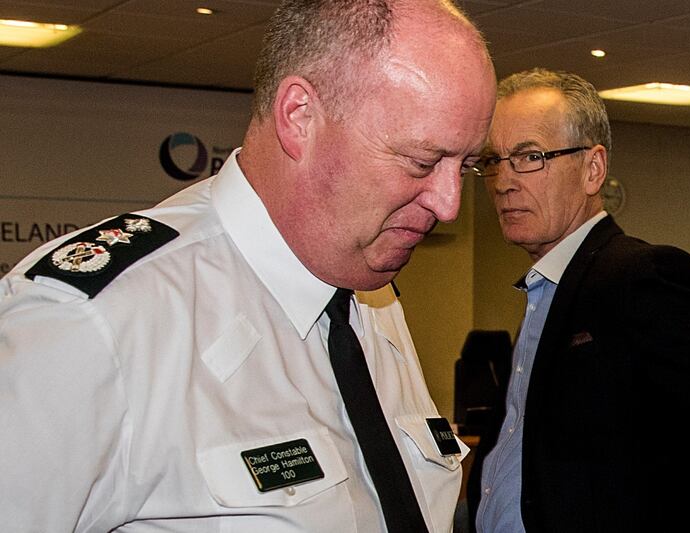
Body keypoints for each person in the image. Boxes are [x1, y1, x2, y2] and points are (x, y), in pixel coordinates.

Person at [0, 1, 497, 531]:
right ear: (299, 116)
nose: (448, 205)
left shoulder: (369, 295)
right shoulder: (94, 326)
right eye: (421, 162)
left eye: (465, 166)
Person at [470, 68, 690, 532]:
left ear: (593, 169)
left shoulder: (639, 279)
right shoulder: (546, 289)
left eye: (530, 157)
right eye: (492, 161)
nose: (503, 181)